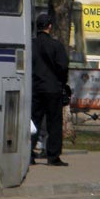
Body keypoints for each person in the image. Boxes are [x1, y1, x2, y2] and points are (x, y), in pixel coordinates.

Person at [30, 12, 70, 167]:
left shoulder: (31, 44)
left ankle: (29, 155)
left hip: (35, 88)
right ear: (50, 27)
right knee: (54, 123)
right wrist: (62, 82)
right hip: (53, 89)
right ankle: (53, 157)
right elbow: (63, 66)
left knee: (34, 122)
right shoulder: (56, 45)